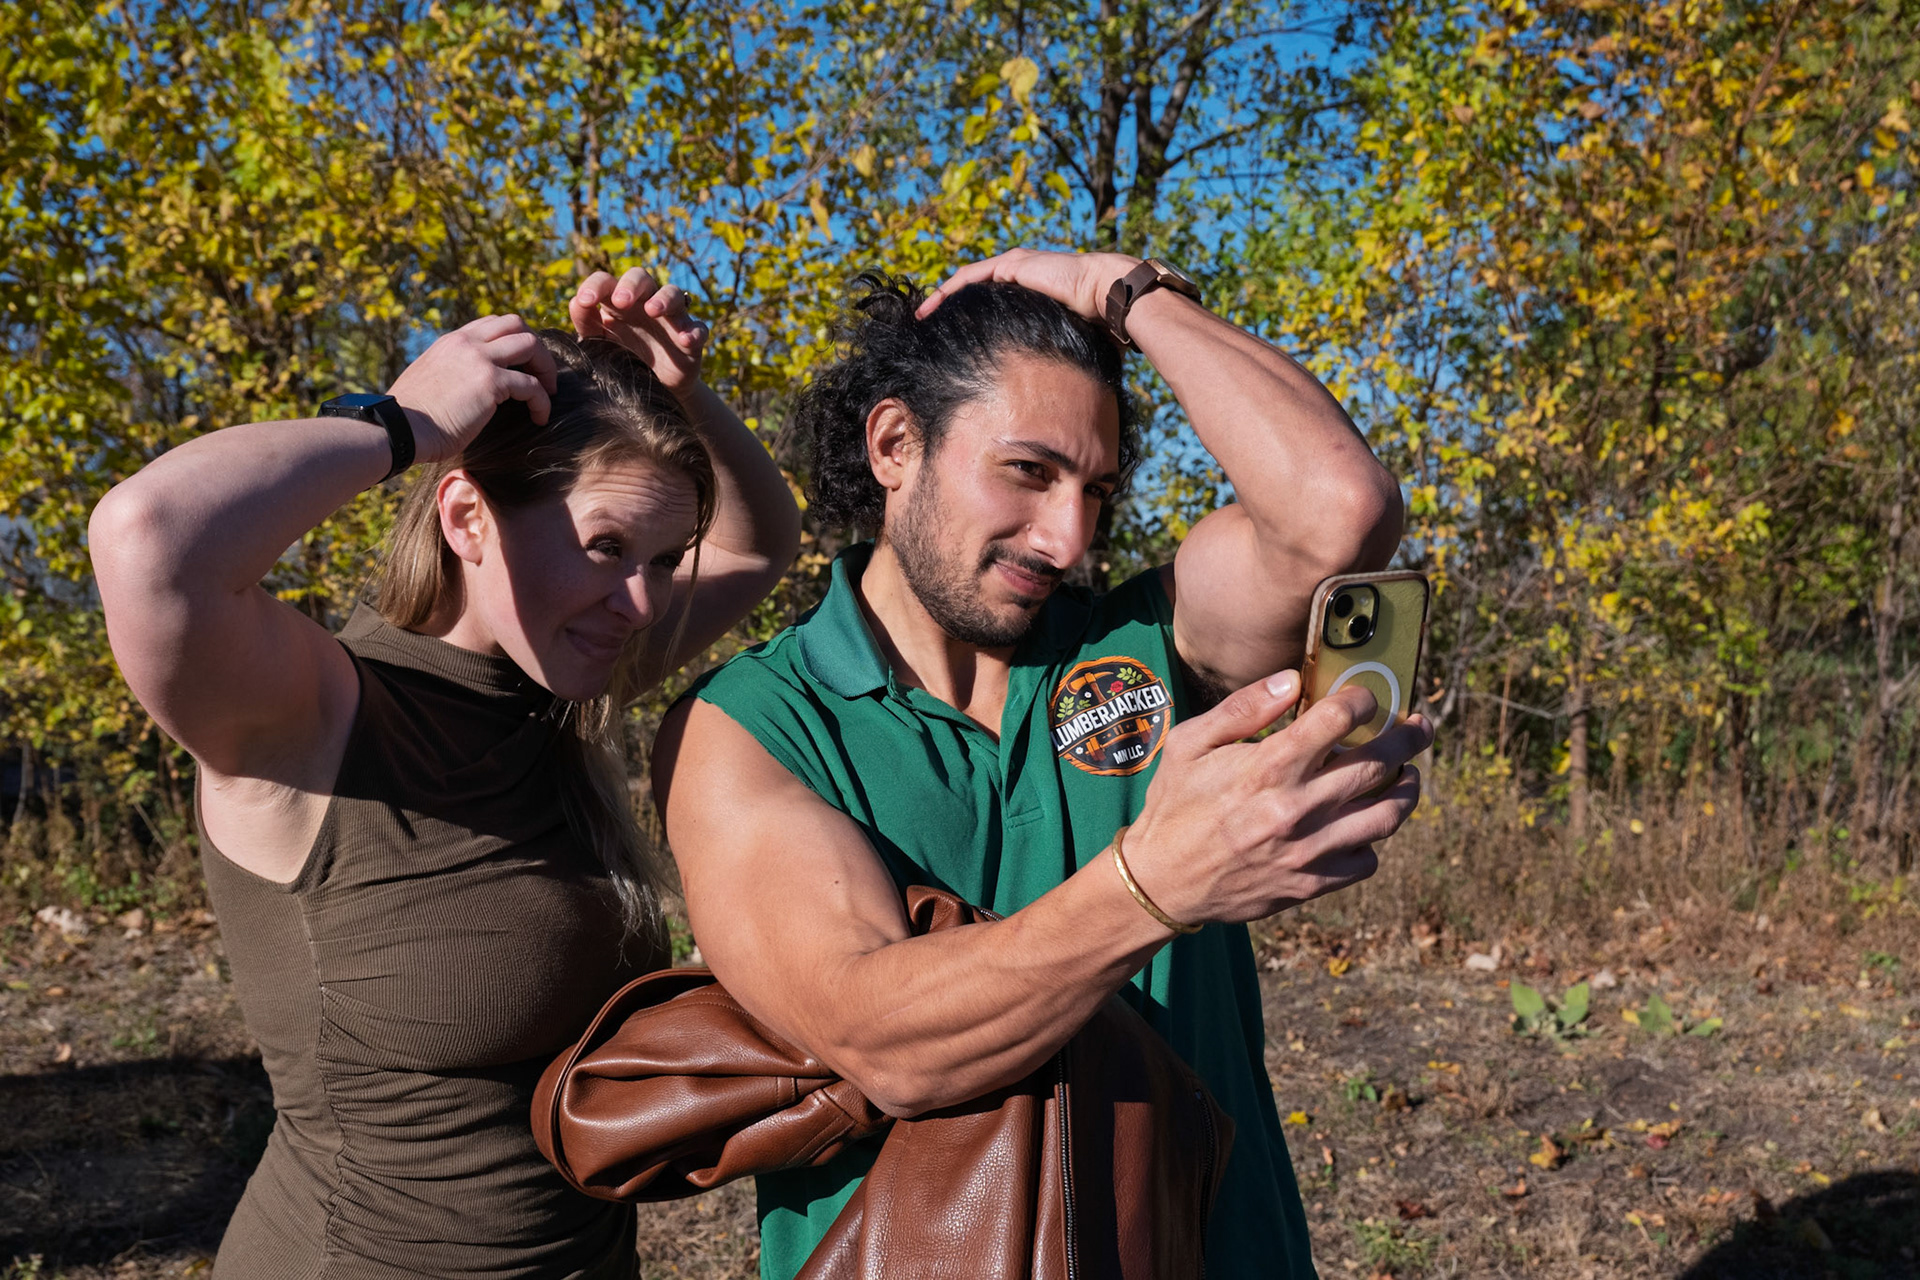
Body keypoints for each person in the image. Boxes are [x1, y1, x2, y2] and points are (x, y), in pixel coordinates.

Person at [651, 249, 1435, 1279]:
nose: (1067, 537)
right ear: (895, 444)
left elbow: (1338, 507)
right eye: (1028, 471)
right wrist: (1154, 885)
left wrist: (1128, 292)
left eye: (1096, 490)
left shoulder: (1147, 640)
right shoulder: (752, 721)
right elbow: (883, 1039)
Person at [89, 269, 800, 1279]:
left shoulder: (565, 685)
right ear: (467, 519)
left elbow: (758, 543)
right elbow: (147, 537)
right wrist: (401, 425)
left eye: (660, 558)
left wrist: (683, 392)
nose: (641, 604)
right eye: (606, 546)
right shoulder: (314, 720)